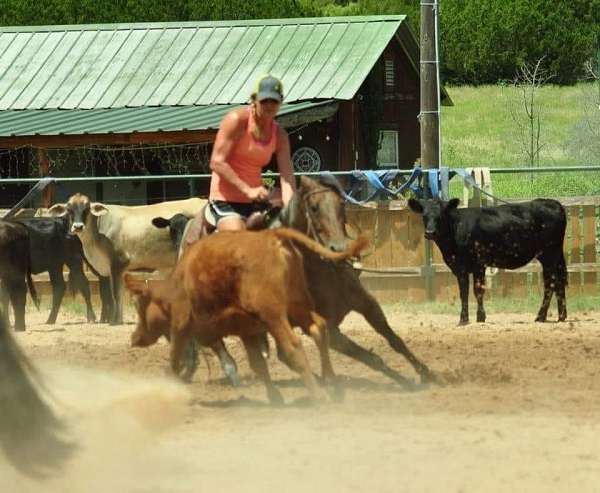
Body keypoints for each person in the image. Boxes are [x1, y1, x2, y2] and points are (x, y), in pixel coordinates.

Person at [208, 74, 296, 231]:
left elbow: (287, 177)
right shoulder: (236, 120)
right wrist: (248, 190)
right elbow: (217, 162)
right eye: (264, 101)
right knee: (240, 239)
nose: (269, 105)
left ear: (281, 101)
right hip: (225, 200)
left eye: (274, 101)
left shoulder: (280, 135)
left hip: (256, 199)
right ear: (254, 100)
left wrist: (291, 210)